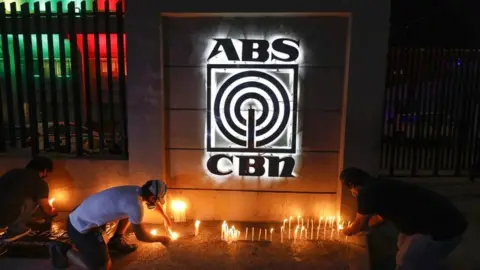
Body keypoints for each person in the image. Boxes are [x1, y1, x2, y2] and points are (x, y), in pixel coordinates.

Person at [340, 167, 468, 270]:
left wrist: (346, 230)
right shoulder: (381, 186)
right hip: (448, 223)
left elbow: (359, 224)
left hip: (440, 231)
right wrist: (364, 227)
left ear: (352, 184)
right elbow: (379, 218)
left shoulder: (367, 192)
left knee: (407, 262)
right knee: (403, 245)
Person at [49, 179, 173, 270]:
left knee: (129, 213)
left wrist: (165, 218)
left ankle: (117, 240)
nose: (156, 202)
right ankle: (62, 249)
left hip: (79, 214)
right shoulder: (136, 206)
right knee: (103, 267)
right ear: (152, 197)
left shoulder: (135, 190)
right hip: (79, 228)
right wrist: (162, 238)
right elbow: (142, 237)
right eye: (157, 199)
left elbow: (150, 205)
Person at [0, 156, 56, 242]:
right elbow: (46, 209)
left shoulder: (12, 172)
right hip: (6, 216)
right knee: (31, 200)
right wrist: (52, 212)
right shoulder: (40, 183)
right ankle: (16, 229)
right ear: (45, 170)